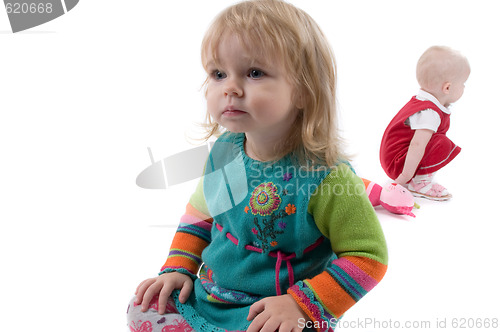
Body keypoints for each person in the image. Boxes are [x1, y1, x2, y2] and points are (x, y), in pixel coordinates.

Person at [127, 1, 388, 331]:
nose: (230, 89)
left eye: (254, 73)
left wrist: (299, 304)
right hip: (212, 293)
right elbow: (201, 215)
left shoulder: (327, 178)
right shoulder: (225, 151)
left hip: (277, 310)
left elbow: (368, 257)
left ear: (304, 91)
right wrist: (180, 267)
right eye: (218, 74)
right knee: (144, 306)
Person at [380, 46, 470, 201]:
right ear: (447, 87)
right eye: (463, 83)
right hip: (398, 165)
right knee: (441, 143)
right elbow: (417, 145)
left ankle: (418, 178)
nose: (464, 87)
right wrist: (403, 177)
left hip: (396, 160)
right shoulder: (430, 113)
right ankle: (420, 183)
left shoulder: (423, 102)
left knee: (436, 140)